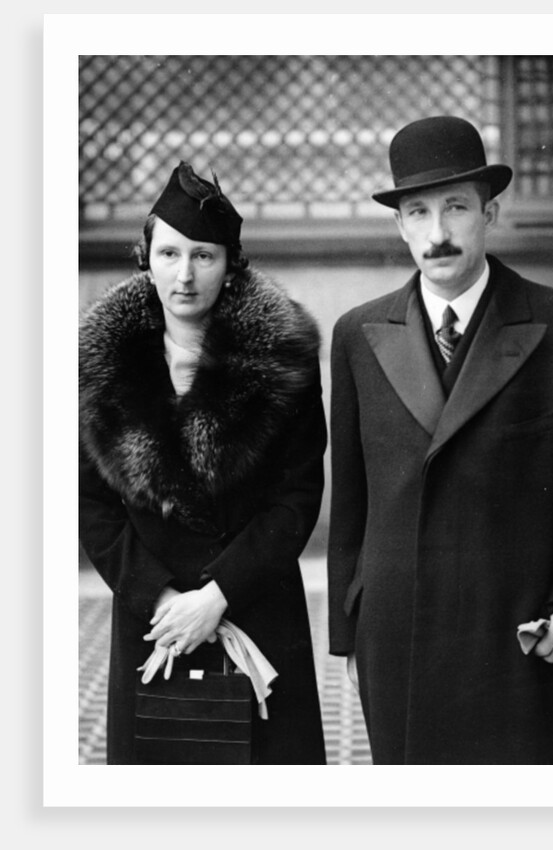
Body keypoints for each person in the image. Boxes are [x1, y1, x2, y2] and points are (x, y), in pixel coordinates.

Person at [327, 116, 553, 765]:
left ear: (490, 213)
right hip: (400, 642)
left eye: (455, 207)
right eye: (417, 213)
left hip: (521, 640)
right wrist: (350, 633)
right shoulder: (358, 335)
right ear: (400, 225)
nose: (437, 233)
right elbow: (352, 504)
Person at [79, 161, 327, 764]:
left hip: (256, 608)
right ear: (146, 259)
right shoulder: (100, 363)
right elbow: (90, 503)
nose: (184, 275)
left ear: (231, 265)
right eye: (169, 254)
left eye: (203, 256)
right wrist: (162, 600)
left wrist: (217, 596)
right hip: (154, 623)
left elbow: (296, 498)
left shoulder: (282, 357)